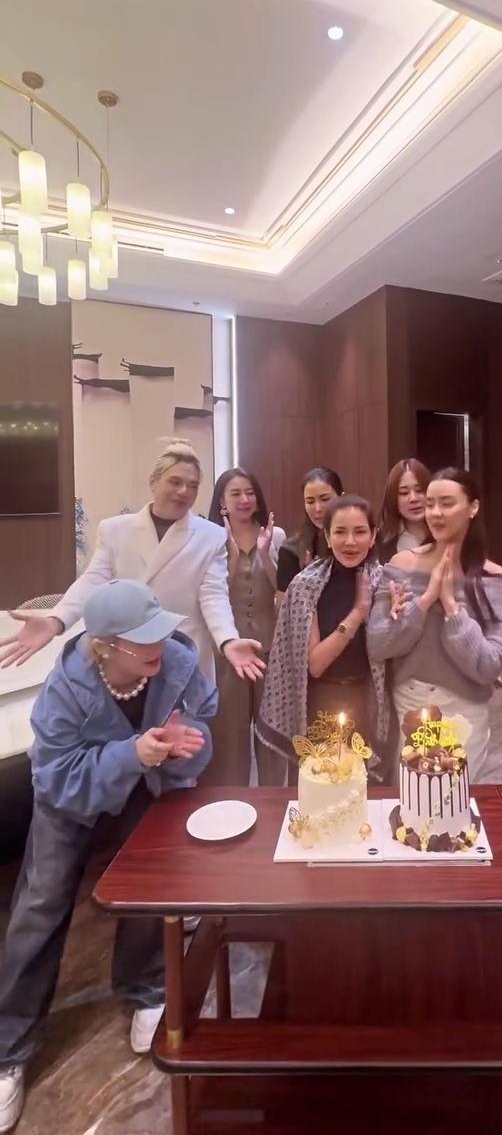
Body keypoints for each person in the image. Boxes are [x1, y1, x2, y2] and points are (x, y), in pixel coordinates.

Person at [0, 580, 216, 1133]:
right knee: (41, 905)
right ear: (104, 647)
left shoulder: (177, 661)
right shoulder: (64, 692)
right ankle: (8, 1049)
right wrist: (132, 753)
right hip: (70, 799)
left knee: (149, 881)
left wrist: (184, 744)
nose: (160, 644)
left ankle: (145, 988)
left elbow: (202, 721)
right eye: (143, 639)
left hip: (150, 782)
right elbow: (57, 780)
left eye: (160, 631)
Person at [0, 439, 264, 684]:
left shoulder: (211, 536)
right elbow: (92, 581)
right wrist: (55, 621)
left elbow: (214, 596)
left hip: (181, 653)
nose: (184, 491)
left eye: (193, 486)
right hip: (123, 654)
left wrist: (228, 640)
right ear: (153, 483)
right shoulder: (115, 530)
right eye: (175, 482)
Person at [367, 468, 502, 783]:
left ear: (473, 507)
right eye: (430, 504)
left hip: (466, 710)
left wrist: (451, 608)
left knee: (454, 800)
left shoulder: (495, 579)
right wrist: (424, 601)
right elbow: (378, 644)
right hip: (410, 703)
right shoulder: (400, 566)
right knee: (413, 796)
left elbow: (489, 666)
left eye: (447, 503)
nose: (435, 513)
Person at [257, 496, 389, 773]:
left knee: (363, 788)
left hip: (370, 704)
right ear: (327, 537)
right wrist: (358, 614)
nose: (350, 542)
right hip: (320, 704)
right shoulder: (306, 586)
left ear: (373, 536)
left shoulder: (387, 584)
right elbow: (315, 665)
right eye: (340, 532)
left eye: (360, 531)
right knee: (320, 785)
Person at [204, 467, 286, 784]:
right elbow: (211, 594)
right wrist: (234, 556)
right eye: (235, 493)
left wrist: (264, 553)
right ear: (222, 502)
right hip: (229, 649)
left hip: (270, 646)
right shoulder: (211, 539)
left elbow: (283, 588)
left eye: (249, 492)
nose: (244, 499)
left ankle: (273, 799)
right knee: (230, 732)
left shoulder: (275, 535)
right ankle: (231, 798)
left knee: (270, 731)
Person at [275, 467, 343, 598]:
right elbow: (282, 605)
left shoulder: (355, 543)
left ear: (341, 497)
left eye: (325, 499)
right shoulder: (292, 550)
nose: (318, 509)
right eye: (310, 501)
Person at [377, 458, 431, 562]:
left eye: (419, 490)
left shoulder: (448, 536)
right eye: (404, 493)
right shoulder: (380, 543)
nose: (413, 499)